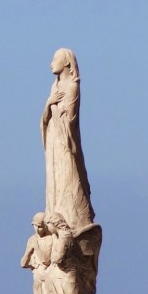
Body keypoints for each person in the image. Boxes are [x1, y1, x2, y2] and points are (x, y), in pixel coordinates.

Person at [41, 48, 94, 232]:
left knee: (68, 177)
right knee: (54, 179)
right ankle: (53, 218)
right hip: (53, 139)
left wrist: (53, 106)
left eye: (55, 58)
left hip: (65, 142)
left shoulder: (72, 86)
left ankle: (71, 219)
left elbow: (69, 121)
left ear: (67, 63)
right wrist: (50, 103)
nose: (51, 62)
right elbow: (46, 119)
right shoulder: (54, 88)